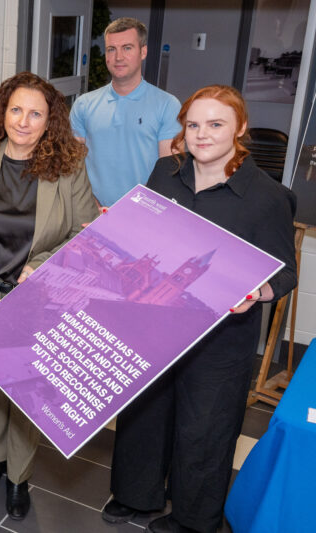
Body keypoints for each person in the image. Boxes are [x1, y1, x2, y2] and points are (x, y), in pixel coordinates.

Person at [101, 85, 297, 533]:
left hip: (221, 339)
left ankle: (193, 520)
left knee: (204, 427)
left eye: (215, 124)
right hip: (156, 321)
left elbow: (285, 271)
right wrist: (119, 229)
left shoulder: (267, 197)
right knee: (144, 412)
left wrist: (260, 293)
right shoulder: (163, 173)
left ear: (240, 128)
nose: (202, 134)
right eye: (193, 125)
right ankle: (136, 495)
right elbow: (144, 240)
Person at [0, 72, 99, 521]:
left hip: (39, 300)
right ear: (3, 111)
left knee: (27, 393)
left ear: (50, 120)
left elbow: (84, 234)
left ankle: (19, 476)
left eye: (36, 113)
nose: (24, 121)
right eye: (16, 109)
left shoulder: (69, 167)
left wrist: (44, 266)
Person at [70, 17, 181, 207]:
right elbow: (73, 165)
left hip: (144, 212)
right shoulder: (83, 105)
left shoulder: (167, 105)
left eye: (127, 48)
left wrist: (130, 210)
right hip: (91, 211)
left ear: (143, 51)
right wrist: (93, 205)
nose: (118, 57)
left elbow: (169, 173)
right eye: (111, 49)